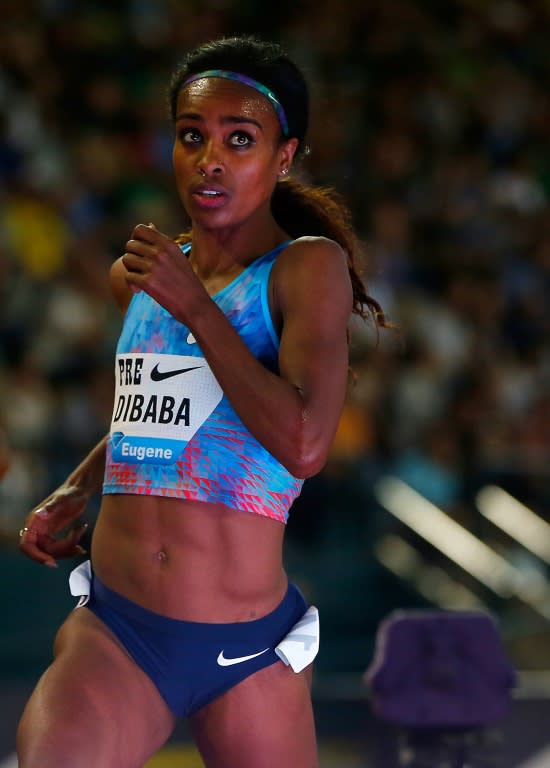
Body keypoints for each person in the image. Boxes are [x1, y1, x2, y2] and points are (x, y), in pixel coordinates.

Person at [16, 35, 386, 768]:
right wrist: (79, 484)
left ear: (284, 156)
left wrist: (198, 310)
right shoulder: (149, 274)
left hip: (248, 649)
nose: (209, 158)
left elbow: (307, 444)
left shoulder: (306, 267)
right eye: (192, 137)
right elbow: (167, 403)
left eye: (239, 139)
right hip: (121, 632)